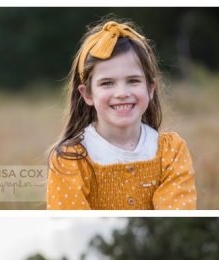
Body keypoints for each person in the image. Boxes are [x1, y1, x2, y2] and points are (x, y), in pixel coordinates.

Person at [46, 20, 196, 210]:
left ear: (151, 88)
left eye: (133, 80)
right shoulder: (71, 159)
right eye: (107, 83)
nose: (122, 93)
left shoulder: (171, 151)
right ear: (88, 94)